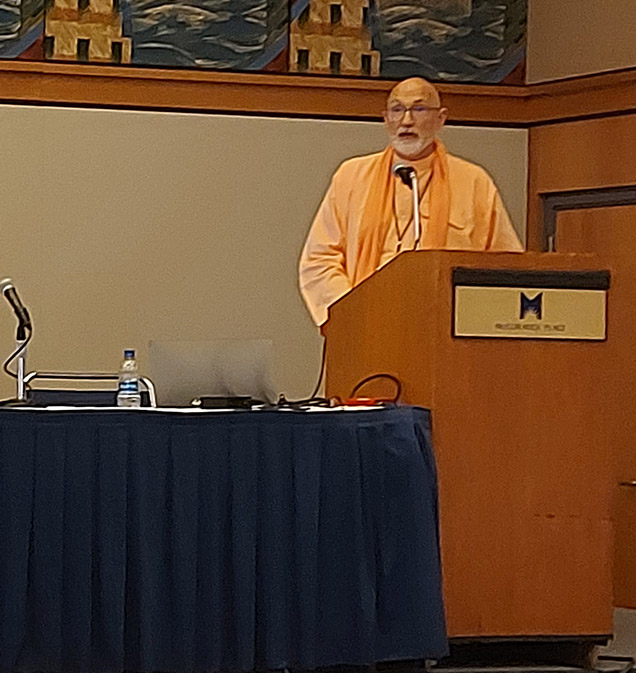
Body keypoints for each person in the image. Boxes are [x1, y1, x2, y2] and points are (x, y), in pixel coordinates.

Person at [298, 77, 523, 326]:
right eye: (397, 110)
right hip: (366, 324)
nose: (406, 120)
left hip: (445, 326)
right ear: (386, 119)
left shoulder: (473, 181)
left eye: (419, 109)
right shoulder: (351, 176)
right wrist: (353, 311)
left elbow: (505, 265)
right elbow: (320, 259)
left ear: (441, 118)